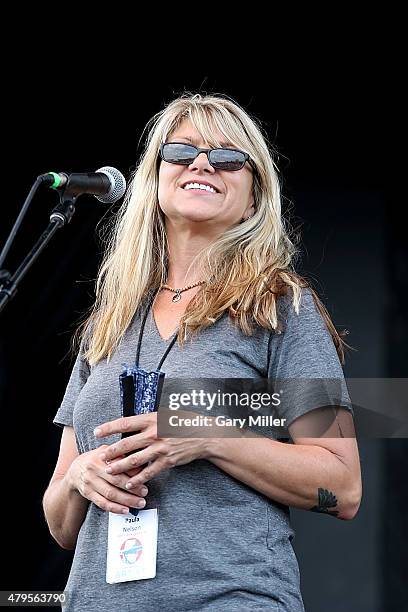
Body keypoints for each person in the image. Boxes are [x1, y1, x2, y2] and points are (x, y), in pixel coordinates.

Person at [42, 93, 362, 612]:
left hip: (229, 598)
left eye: (229, 156)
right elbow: (60, 524)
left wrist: (208, 438)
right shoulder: (110, 319)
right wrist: (81, 477)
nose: (202, 163)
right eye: (181, 150)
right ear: (155, 176)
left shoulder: (281, 307)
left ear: (255, 196)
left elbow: (343, 486)